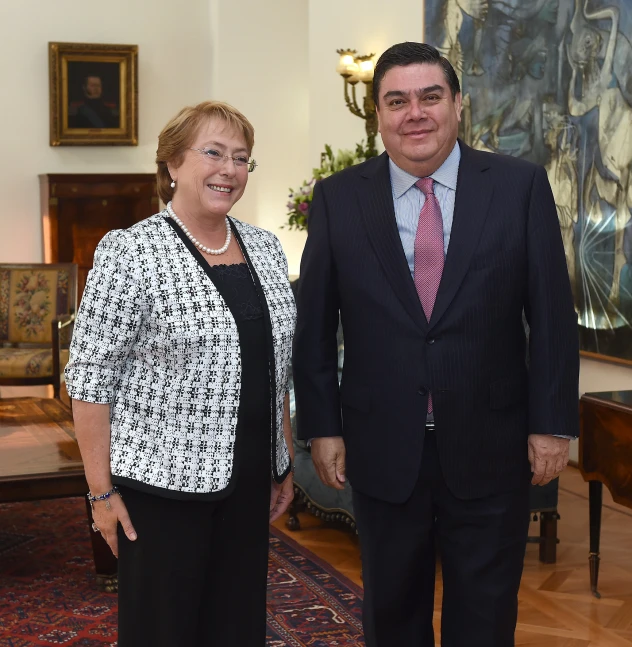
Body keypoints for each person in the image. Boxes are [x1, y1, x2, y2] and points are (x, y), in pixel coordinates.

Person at [293, 42, 579, 647]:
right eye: (397, 101)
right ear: (378, 115)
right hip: (381, 444)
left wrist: (553, 423)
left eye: (430, 97)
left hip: (492, 441)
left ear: (458, 106)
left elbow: (552, 315)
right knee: (393, 609)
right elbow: (313, 326)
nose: (414, 113)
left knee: (486, 608)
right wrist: (322, 426)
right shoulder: (338, 198)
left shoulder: (518, 186)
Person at [65, 100, 296, 647]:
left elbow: (275, 364)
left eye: (241, 158)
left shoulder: (263, 246)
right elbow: (91, 381)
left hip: (246, 480)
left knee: (235, 625)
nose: (229, 170)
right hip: (161, 491)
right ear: (171, 164)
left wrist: (280, 457)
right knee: (164, 631)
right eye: (212, 153)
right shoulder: (130, 251)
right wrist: (100, 495)